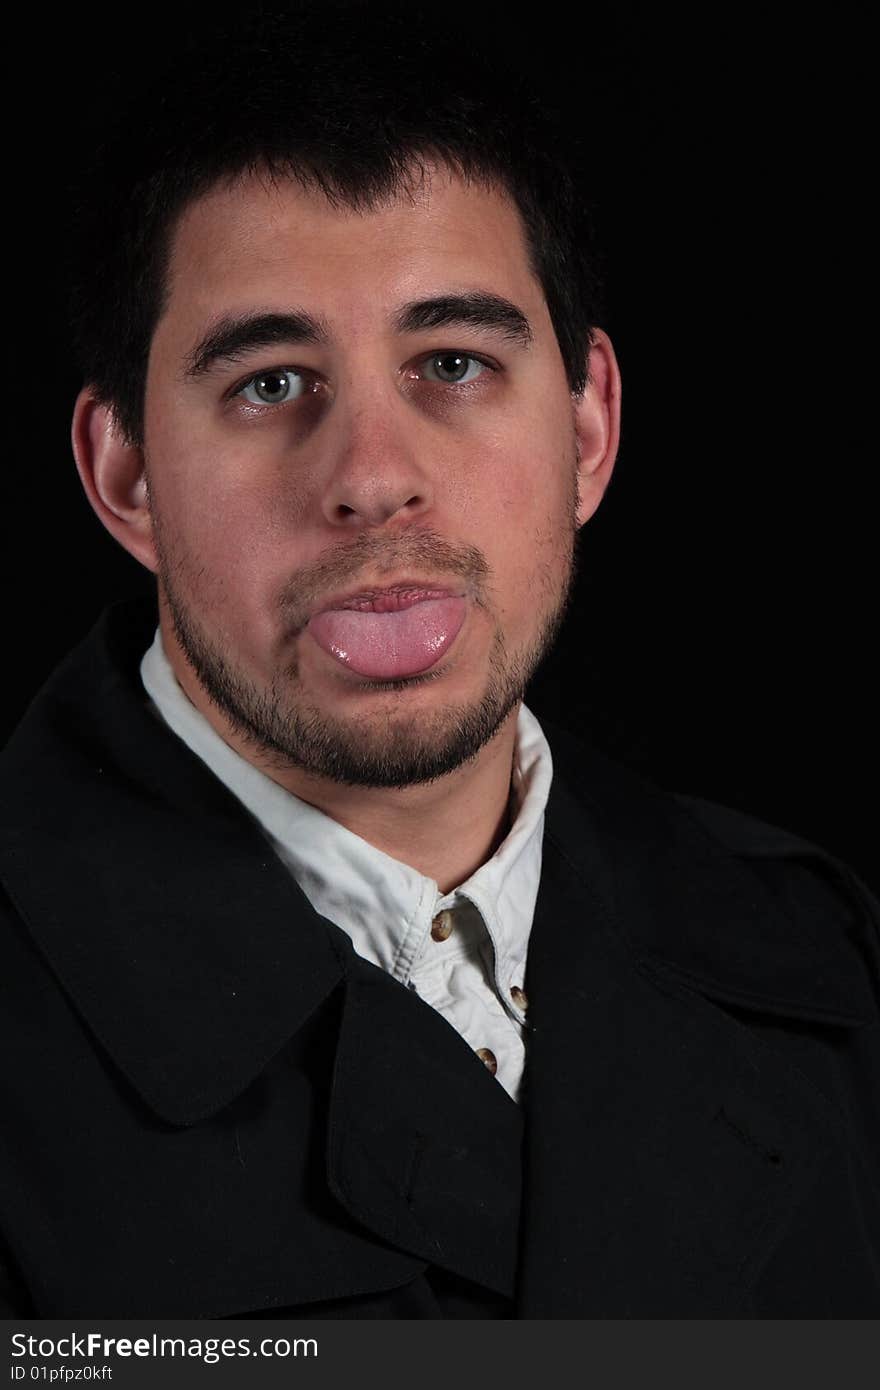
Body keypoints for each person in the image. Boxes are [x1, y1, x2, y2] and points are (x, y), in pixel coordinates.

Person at [1, 9, 877, 1319]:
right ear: (126, 473)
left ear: (588, 427)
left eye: (454, 364)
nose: (373, 479)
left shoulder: (828, 959)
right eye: (268, 383)